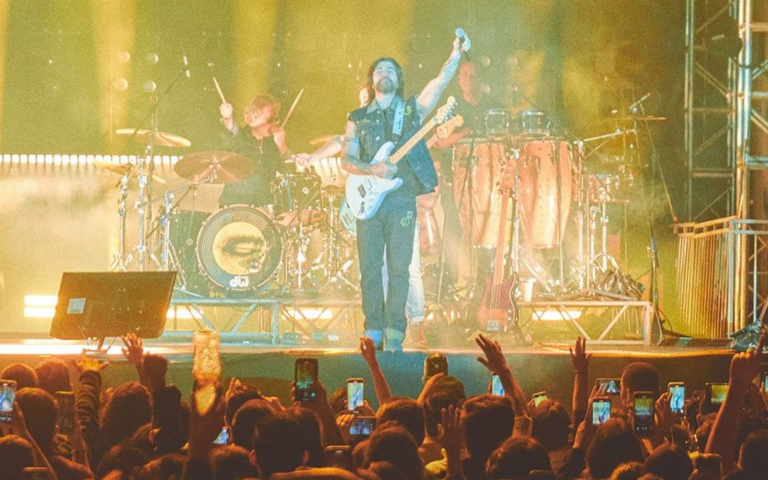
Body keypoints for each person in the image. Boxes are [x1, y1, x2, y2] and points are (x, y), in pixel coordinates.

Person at [340, 32, 471, 351]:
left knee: (400, 268)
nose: (384, 73)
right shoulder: (357, 117)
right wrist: (373, 170)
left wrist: (455, 54)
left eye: (390, 70)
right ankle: (373, 329)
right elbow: (346, 158)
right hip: (367, 202)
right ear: (371, 80)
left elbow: (438, 84)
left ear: (398, 79)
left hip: (401, 201)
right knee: (370, 269)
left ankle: (395, 330)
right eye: (379, 70)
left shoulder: (411, 111)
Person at [218, 94, 291, 208]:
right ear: (253, 118)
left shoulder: (274, 144)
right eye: (268, 119)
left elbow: (290, 171)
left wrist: (282, 146)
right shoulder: (241, 137)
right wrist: (227, 117)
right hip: (235, 205)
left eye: (274, 119)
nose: (272, 123)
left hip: (263, 207)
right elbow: (232, 130)